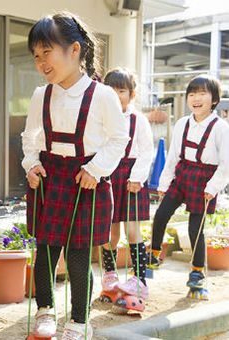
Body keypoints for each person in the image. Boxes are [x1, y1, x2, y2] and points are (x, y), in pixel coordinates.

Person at [22, 12, 129, 340]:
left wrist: (95, 171)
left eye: (47, 52)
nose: (41, 62)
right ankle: (45, 311)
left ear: (74, 50)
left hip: (86, 180)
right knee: (45, 252)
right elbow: (30, 137)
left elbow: (118, 139)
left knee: (80, 257)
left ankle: (80, 322)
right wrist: (31, 164)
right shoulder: (42, 95)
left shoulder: (103, 95)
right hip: (51, 177)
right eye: (36, 55)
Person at [150, 75, 229, 292]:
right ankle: (154, 254)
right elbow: (173, 156)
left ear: (214, 99)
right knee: (161, 214)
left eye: (202, 93)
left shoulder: (220, 127)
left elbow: (226, 165)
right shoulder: (183, 123)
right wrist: (164, 183)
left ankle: (197, 271)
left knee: (196, 229)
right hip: (182, 176)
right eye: (192, 94)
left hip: (204, 181)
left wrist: (212, 188)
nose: (196, 98)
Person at [99, 68, 154, 300]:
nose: (115, 94)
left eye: (121, 90)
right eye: (110, 89)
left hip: (131, 178)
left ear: (131, 95)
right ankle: (110, 276)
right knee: (109, 233)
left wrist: (136, 178)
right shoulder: (100, 119)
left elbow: (146, 151)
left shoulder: (138, 120)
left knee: (132, 230)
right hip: (108, 177)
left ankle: (139, 280)